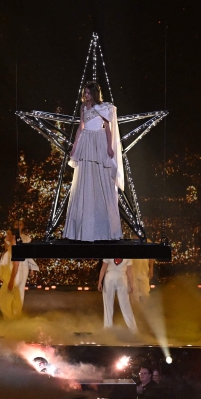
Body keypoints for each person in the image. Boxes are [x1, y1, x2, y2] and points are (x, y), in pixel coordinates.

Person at [63, 81, 123, 241]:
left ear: (94, 94)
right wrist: (75, 147)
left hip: (98, 141)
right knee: (83, 179)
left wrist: (109, 147)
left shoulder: (102, 108)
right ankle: (84, 229)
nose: (86, 95)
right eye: (85, 93)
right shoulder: (83, 108)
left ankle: (106, 227)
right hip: (86, 141)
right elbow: (81, 128)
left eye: (88, 93)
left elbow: (108, 128)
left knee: (102, 178)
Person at [98, 259, 137, 331]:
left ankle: (133, 330)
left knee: (114, 305)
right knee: (121, 305)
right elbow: (103, 268)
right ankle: (133, 330)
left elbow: (129, 271)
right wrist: (100, 282)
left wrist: (132, 284)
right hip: (116, 278)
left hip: (116, 278)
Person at [0, 230, 27, 320]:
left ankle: (11, 319)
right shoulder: (11, 247)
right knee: (12, 299)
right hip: (10, 277)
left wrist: (11, 280)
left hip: (14, 278)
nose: (6, 235)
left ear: (13, 236)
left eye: (8, 234)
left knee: (4, 299)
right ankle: (13, 319)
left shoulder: (15, 248)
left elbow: (16, 265)